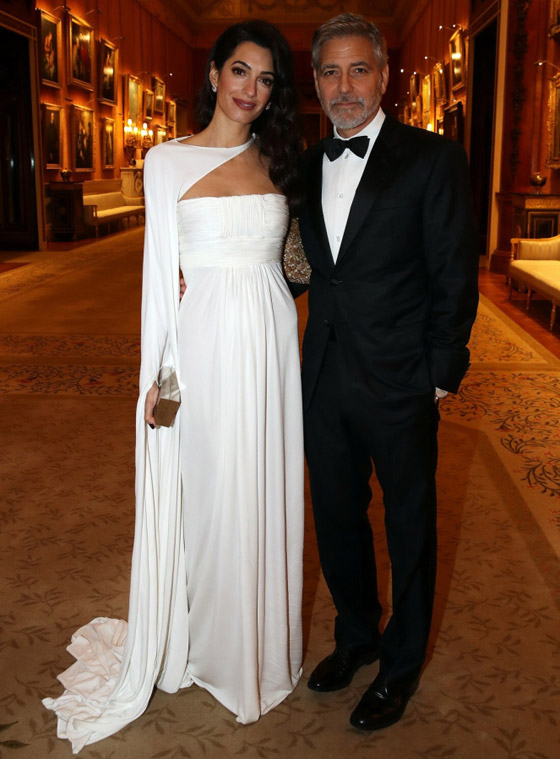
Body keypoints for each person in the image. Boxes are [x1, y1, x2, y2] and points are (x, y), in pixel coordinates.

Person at [43, 20, 304, 752]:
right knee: (212, 494)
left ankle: (258, 646)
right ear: (215, 74)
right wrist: (161, 380)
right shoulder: (165, 162)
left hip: (272, 347)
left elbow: (297, 262)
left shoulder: (279, 158)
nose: (251, 89)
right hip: (204, 347)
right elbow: (160, 284)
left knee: (263, 487)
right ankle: (209, 645)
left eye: (266, 79)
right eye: (241, 71)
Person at [297, 14, 479, 731]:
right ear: (316, 83)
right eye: (330, 72)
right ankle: (357, 636)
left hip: (402, 378)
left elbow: (454, 270)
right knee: (336, 516)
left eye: (358, 69)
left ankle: (401, 665)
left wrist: (440, 369)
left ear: (384, 75)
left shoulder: (433, 159)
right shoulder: (306, 165)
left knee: (409, 525)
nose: (344, 87)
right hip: (324, 376)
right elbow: (302, 266)